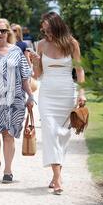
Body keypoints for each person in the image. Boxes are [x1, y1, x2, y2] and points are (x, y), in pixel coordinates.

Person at [30, 12, 86, 195]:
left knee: (63, 135)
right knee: (50, 132)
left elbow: (79, 70)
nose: (46, 33)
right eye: (44, 29)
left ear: (57, 26)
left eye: (49, 29)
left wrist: (82, 91)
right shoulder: (41, 45)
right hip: (47, 94)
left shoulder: (72, 43)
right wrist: (36, 63)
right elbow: (37, 76)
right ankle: (58, 178)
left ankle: (55, 176)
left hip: (66, 92)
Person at [0, 19, 34, 183]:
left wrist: (30, 96)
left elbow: (25, 77)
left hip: (15, 100)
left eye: (3, 31)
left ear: (8, 33)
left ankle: (8, 170)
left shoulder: (17, 51)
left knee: (9, 134)